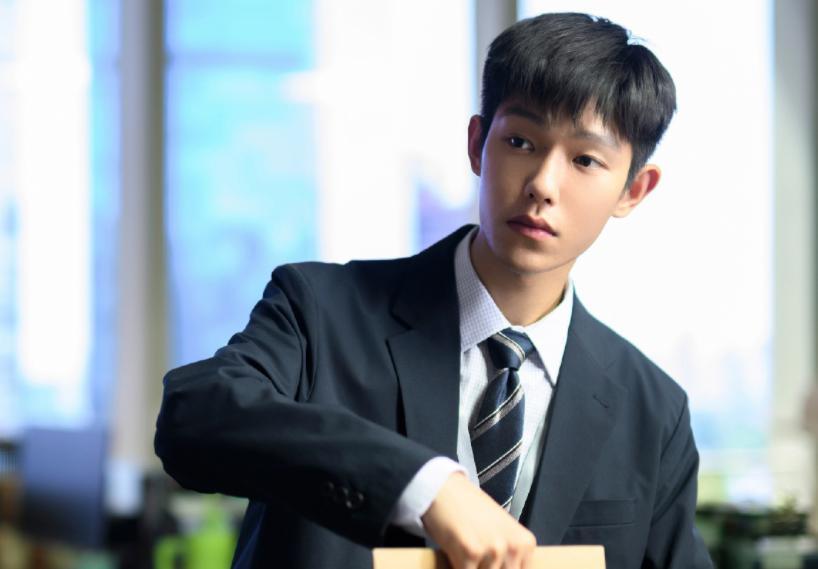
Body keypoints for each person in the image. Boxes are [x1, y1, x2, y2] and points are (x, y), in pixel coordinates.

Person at [155, 12, 713, 569]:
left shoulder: (654, 411)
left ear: (634, 190)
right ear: (477, 144)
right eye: (520, 141)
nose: (543, 184)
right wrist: (424, 487)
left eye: (585, 160)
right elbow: (193, 417)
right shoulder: (320, 310)